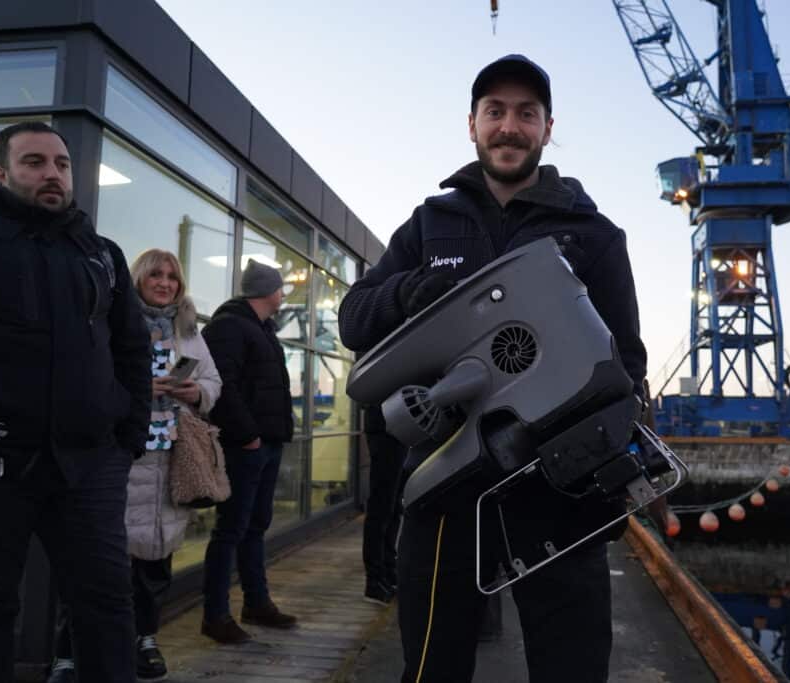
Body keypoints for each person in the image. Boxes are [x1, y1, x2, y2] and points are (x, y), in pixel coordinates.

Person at [337, 55, 648, 682]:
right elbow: (352, 319)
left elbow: (628, 361)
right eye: (496, 112)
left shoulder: (596, 235)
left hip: (561, 492)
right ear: (473, 125)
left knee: (572, 669)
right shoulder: (429, 223)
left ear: (548, 127)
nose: (510, 127)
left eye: (526, 114)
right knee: (430, 669)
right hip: (444, 491)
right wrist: (411, 293)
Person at [0, 121, 151, 683]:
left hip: (88, 467)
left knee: (107, 607)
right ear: (2, 173)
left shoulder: (101, 254)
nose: (52, 174)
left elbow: (132, 352)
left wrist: (126, 440)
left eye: (61, 164)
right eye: (35, 162)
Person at [47, 249, 222, 682]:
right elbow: (86, 376)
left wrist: (193, 393)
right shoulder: (112, 319)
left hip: (169, 458)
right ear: (139, 278)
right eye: (156, 275)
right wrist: (142, 386)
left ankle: (146, 639)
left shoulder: (189, 330)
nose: (165, 283)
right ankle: (68, 653)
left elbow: (213, 383)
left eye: (172, 277)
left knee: (155, 559)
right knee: (95, 560)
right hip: (119, 453)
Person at [200, 259, 298, 643]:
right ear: (266, 291)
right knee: (231, 530)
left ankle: (256, 603)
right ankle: (215, 615)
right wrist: (248, 436)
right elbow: (222, 385)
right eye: (279, 287)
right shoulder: (229, 327)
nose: (283, 294)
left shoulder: (261, 329)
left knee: (255, 527)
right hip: (247, 446)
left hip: (266, 443)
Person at [361, 405, 407, 605]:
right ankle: (375, 579)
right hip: (386, 428)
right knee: (382, 507)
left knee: (393, 507)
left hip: (398, 428)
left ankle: (387, 571)